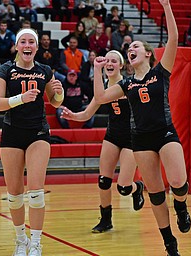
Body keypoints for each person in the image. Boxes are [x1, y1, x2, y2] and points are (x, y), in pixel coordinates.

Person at [93, 1, 191, 255]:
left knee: (179, 183)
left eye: (136, 46)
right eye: (129, 48)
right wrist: (96, 70)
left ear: (148, 53)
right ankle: (170, 244)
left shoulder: (161, 72)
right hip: (141, 140)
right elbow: (101, 98)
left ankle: (181, 206)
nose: (130, 49)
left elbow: (174, 37)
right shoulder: (126, 85)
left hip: (165, 133)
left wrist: (166, 5)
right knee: (156, 194)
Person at [0, 28, 64, 255]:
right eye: (23, 41)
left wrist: (59, 93)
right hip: (12, 133)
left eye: (31, 42)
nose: (27, 45)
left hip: (38, 133)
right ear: (16, 46)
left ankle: (36, 242)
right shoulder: (5, 69)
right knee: (14, 194)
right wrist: (20, 99)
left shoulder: (44, 70)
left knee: (36, 192)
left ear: (36, 47)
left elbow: (54, 102)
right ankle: (21, 239)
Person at [60, 50, 144, 232]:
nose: (110, 64)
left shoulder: (129, 84)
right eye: (107, 61)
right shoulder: (103, 86)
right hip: (112, 136)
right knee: (103, 181)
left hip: (131, 138)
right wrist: (73, 116)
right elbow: (88, 113)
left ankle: (137, 188)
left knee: (123, 188)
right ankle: (106, 219)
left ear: (121, 65)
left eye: (114, 61)